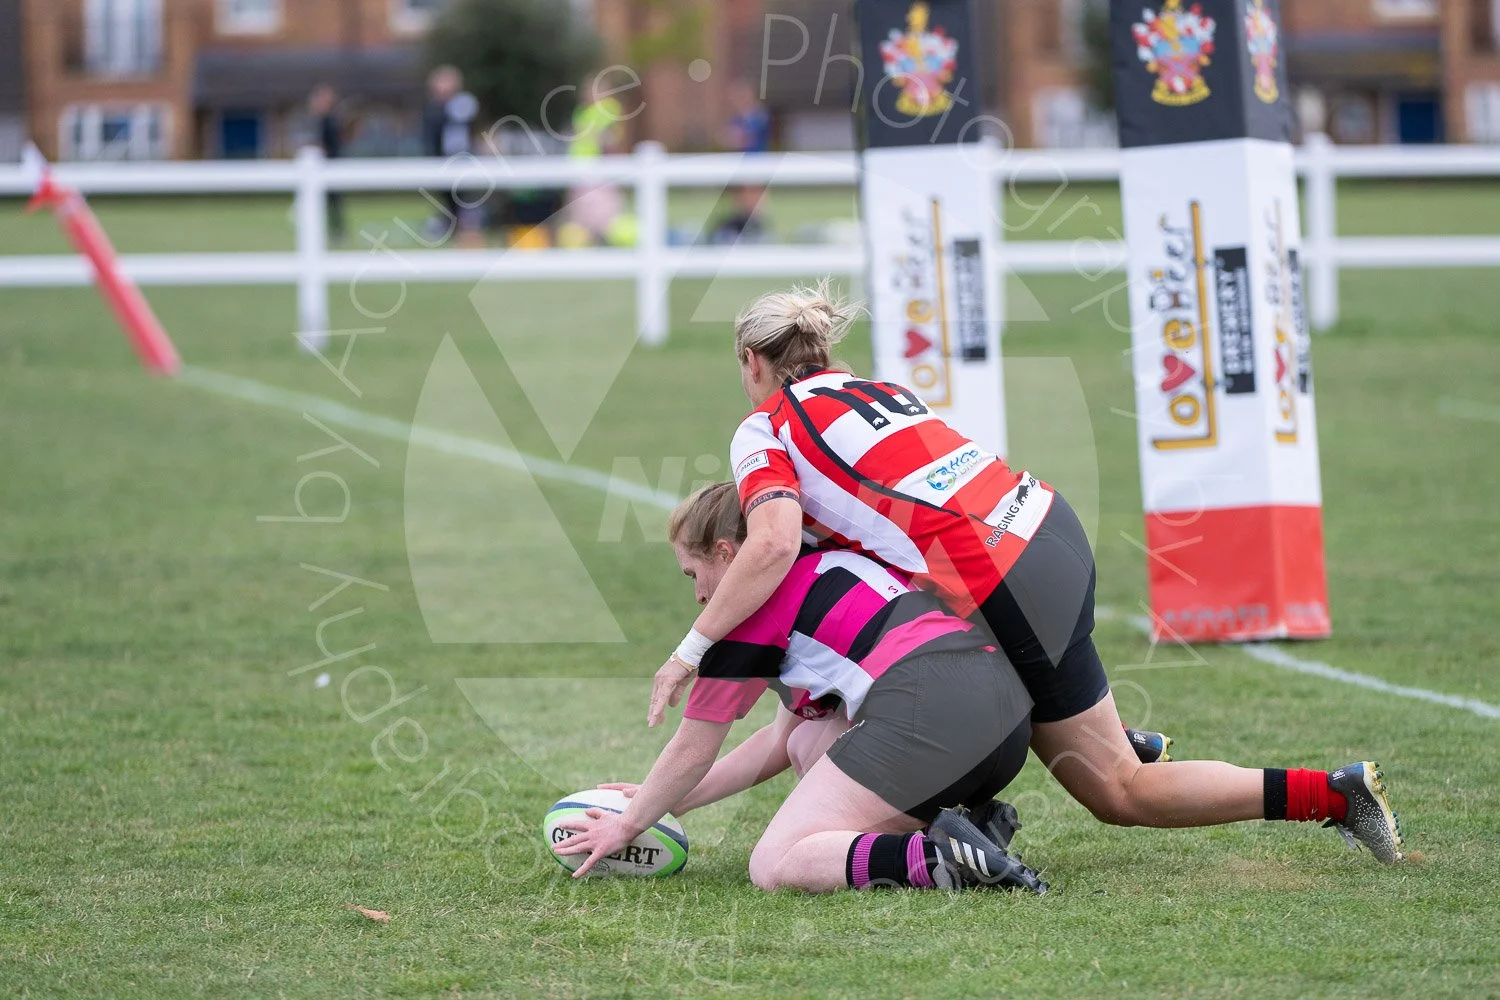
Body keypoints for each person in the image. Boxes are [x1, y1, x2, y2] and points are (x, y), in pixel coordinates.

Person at [646, 281, 1406, 865]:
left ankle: (1106, 756)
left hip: (994, 574)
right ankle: (1329, 795)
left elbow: (773, 543)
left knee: (1114, 789)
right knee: (1084, 757)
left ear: (753, 362)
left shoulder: (765, 425)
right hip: (1048, 527)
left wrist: (692, 650)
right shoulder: (880, 389)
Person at [555, 483, 1046, 894]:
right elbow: (776, 741)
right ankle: (973, 834)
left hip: (933, 716)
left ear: (726, 553)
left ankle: (938, 855)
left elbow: (692, 748)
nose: (700, 595)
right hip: (1005, 723)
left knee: (774, 864)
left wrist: (628, 824)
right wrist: (667, 802)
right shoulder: (828, 559)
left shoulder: (744, 610)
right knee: (807, 739)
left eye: (695, 575)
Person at [307, 84, 345, 243]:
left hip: (331, 164)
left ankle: (337, 231)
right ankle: (328, 230)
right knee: (323, 201)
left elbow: (332, 143)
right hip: (322, 165)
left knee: (334, 201)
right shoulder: (320, 120)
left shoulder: (330, 120)